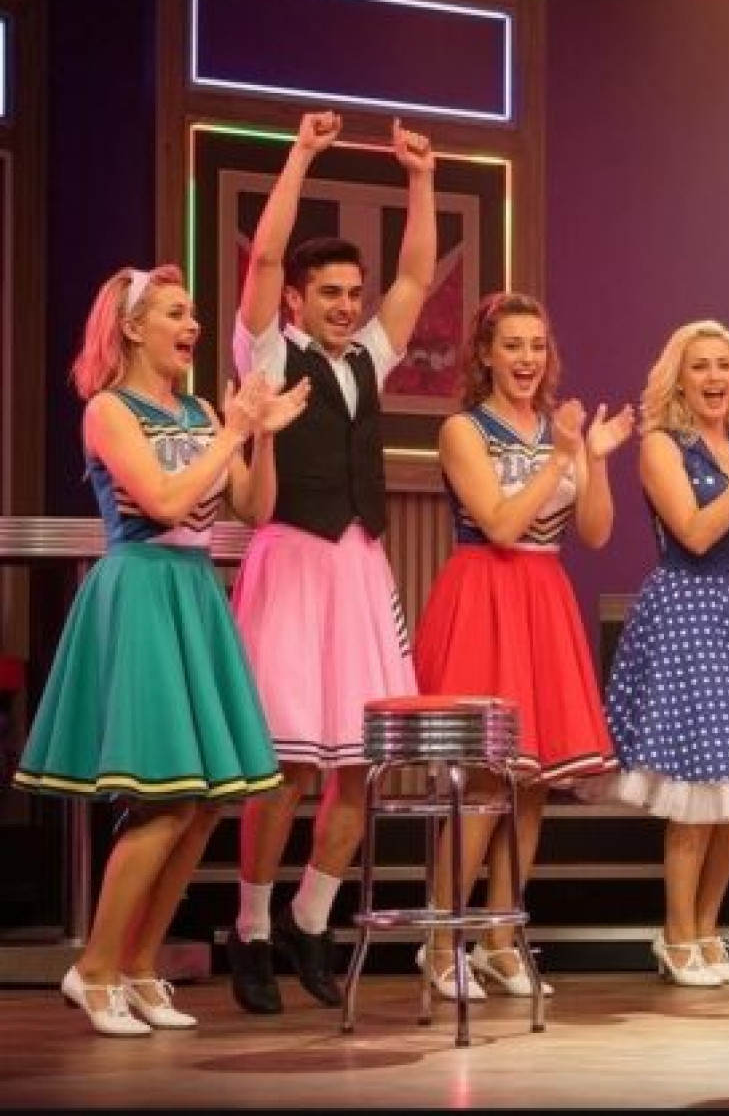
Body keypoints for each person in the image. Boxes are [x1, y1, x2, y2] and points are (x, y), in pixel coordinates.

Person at [12, 264, 309, 1035]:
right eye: (176, 312)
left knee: (205, 803)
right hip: (143, 592)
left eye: (194, 312)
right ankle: (94, 968)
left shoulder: (201, 409)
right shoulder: (109, 410)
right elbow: (165, 500)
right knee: (166, 796)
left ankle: (140, 965)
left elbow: (254, 507)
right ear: (133, 326)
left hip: (195, 595)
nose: (193, 325)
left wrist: (261, 435)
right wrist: (233, 431)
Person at [225, 108, 437, 1015]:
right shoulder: (268, 353)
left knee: (357, 767)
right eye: (332, 293)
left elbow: (418, 276)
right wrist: (303, 154)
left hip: (357, 570)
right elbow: (266, 256)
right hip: (290, 564)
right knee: (288, 767)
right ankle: (250, 929)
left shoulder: (367, 361)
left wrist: (421, 178)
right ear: (298, 300)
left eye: (354, 292)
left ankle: (310, 918)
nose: (349, 304)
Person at [410, 291, 633, 1001]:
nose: (527, 358)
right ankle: (440, 942)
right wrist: (558, 456)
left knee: (533, 783)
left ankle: (501, 940)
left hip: (544, 597)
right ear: (485, 354)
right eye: (512, 345)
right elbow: (502, 525)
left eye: (537, 345)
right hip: (486, 594)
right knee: (485, 780)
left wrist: (594, 460)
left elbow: (594, 530)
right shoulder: (463, 430)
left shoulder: (559, 429)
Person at [587, 320, 729, 989]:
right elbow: (692, 531)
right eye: (701, 366)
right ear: (679, 379)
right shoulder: (663, 444)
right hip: (687, 611)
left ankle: (708, 932)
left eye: (725, 365)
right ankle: (676, 935)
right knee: (695, 788)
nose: (715, 377)